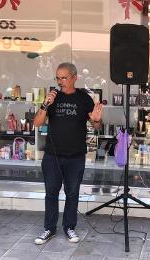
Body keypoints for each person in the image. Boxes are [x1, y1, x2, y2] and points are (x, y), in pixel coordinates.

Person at [33, 62, 103, 245]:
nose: (60, 81)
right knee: (51, 193)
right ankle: (49, 228)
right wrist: (45, 104)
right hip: (52, 156)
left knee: (72, 193)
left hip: (76, 156)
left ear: (74, 78)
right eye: (57, 78)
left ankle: (69, 227)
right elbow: (37, 123)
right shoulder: (52, 98)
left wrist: (97, 120)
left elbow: (96, 126)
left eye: (64, 77)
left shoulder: (84, 99)